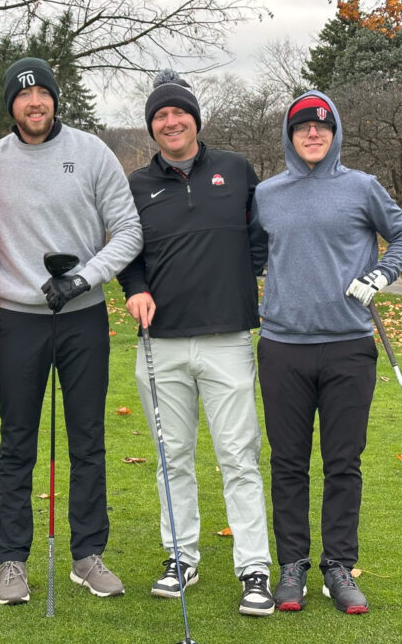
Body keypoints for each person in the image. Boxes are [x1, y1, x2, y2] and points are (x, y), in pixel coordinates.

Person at [0, 57, 143, 605]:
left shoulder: (92, 151)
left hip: (83, 318)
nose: (35, 103)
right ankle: (11, 560)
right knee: (17, 441)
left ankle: (87, 554)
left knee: (88, 439)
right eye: (24, 97)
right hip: (21, 319)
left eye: (43, 94)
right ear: (11, 106)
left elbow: (127, 231)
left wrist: (83, 278)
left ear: (55, 99)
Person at [251, 91, 402, 615]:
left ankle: (339, 566)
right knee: (288, 463)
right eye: (302, 128)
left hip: (348, 345)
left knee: (343, 462)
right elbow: (252, 253)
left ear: (335, 131)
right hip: (283, 346)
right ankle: (293, 566)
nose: (313, 135)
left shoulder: (362, 187)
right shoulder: (266, 194)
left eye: (322, 127)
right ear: (289, 135)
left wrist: (382, 273)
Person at [117, 71, 275, 616]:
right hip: (159, 344)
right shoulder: (136, 185)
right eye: (159, 116)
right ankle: (181, 556)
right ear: (152, 128)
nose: (170, 122)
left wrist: (235, 279)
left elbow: (260, 238)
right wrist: (135, 289)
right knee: (172, 457)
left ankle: (254, 568)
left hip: (227, 339)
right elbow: (127, 253)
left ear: (195, 120)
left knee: (239, 457)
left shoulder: (235, 170)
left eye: (178, 112)